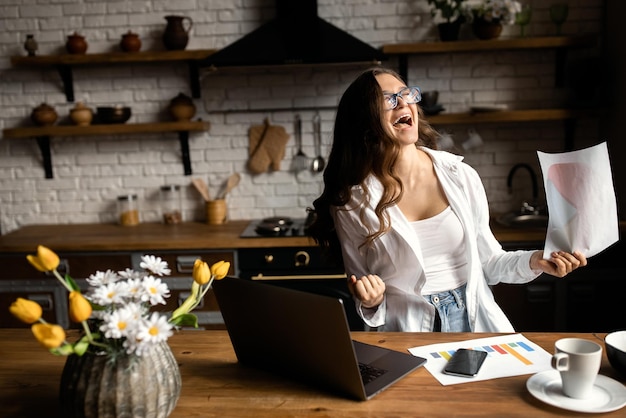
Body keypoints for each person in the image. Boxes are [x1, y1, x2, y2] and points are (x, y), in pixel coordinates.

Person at [307, 67, 587, 332]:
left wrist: (537, 261)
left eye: (406, 94)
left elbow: (490, 263)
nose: (404, 104)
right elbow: (365, 295)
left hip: (475, 322)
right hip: (407, 330)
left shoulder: (461, 176)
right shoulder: (352, 203)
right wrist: (370, 299)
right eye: (390, 100)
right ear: (364, 119)